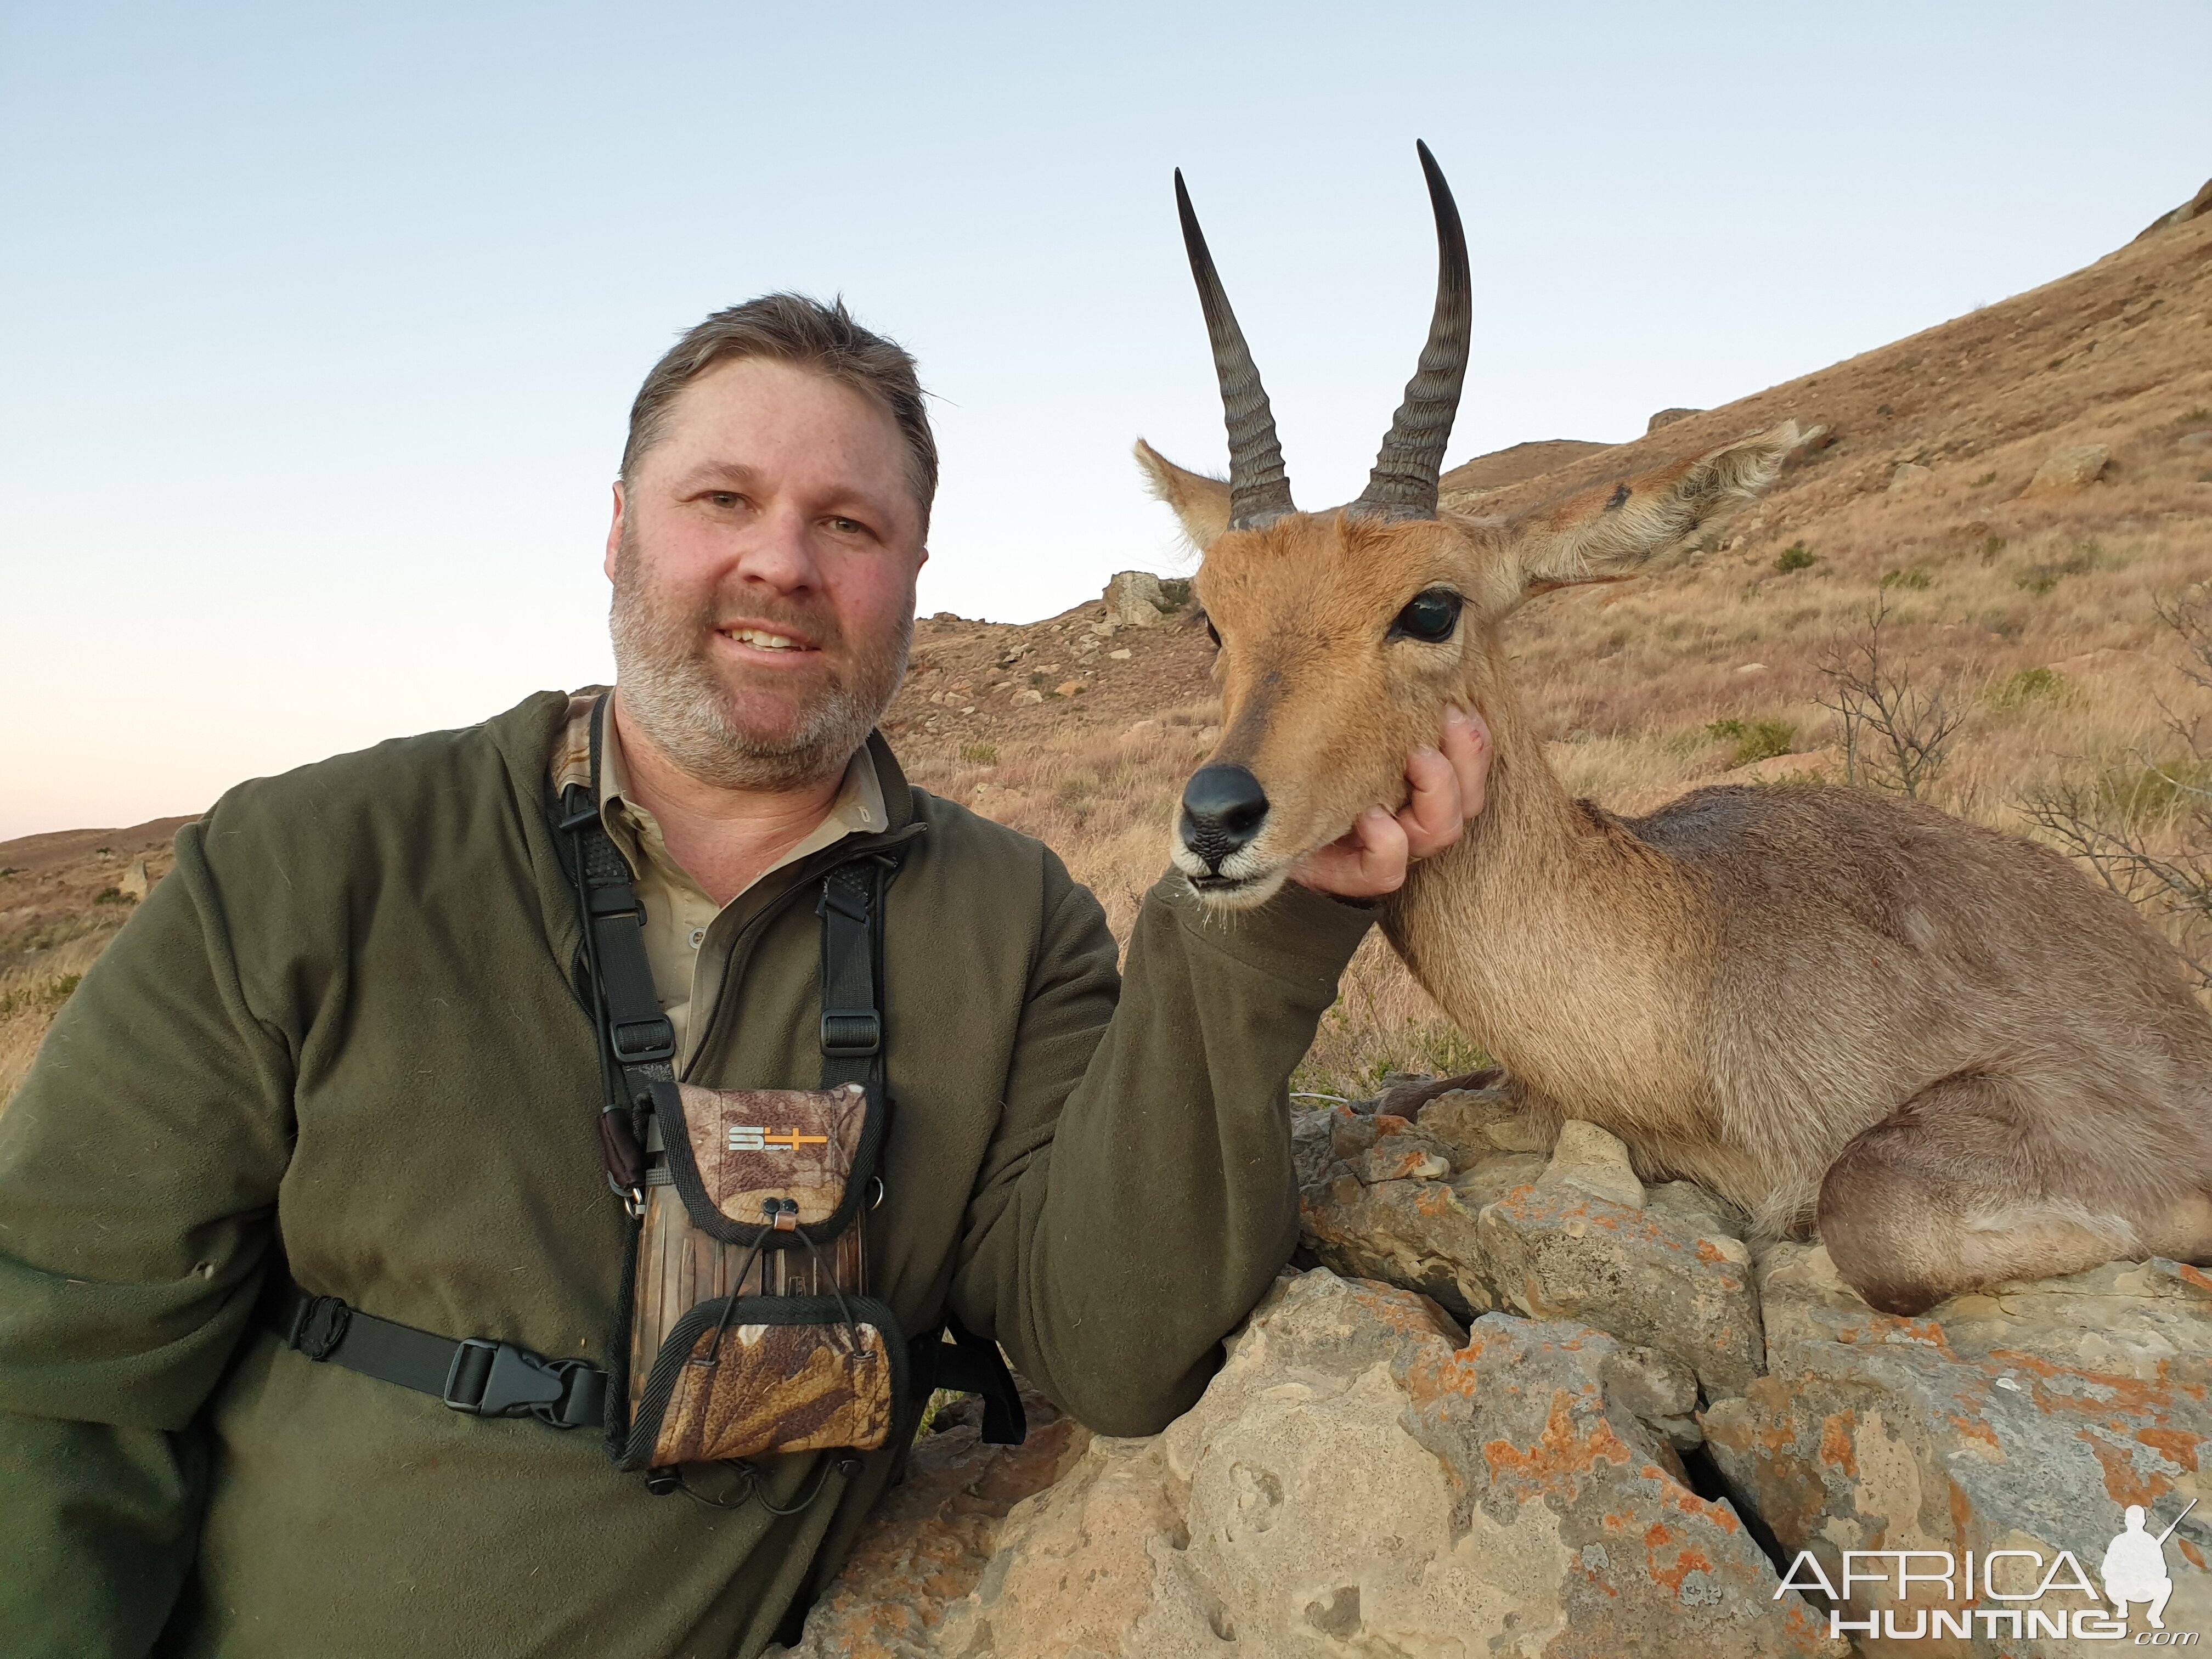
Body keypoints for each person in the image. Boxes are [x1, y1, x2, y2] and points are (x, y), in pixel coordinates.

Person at [0, 294, 1489, 1658]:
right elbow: (48, 1373)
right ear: (618, 530)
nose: (781, 560)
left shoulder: (1010, 920)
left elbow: (1113, 1335)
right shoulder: (307, 860)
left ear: (913, 571)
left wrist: (1278, 913)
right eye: (723, 500)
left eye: (850, 523)